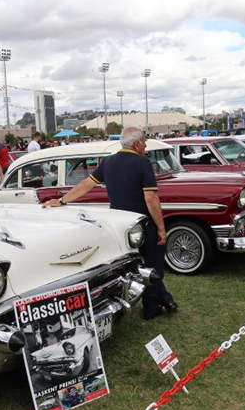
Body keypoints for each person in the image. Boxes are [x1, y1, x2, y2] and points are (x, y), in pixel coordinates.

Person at [42, 127, 177, 320]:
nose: (146, 146)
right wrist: (162, 228)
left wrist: (63, 200)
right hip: (143, 223)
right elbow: (151, 198)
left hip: (120, 226)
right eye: (144, 142)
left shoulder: (108, 162)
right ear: (137, 144)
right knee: (153, 266)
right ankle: (152, 308)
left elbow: (86, 185)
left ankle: (166, 299)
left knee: (133, 265)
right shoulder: (142, 162)